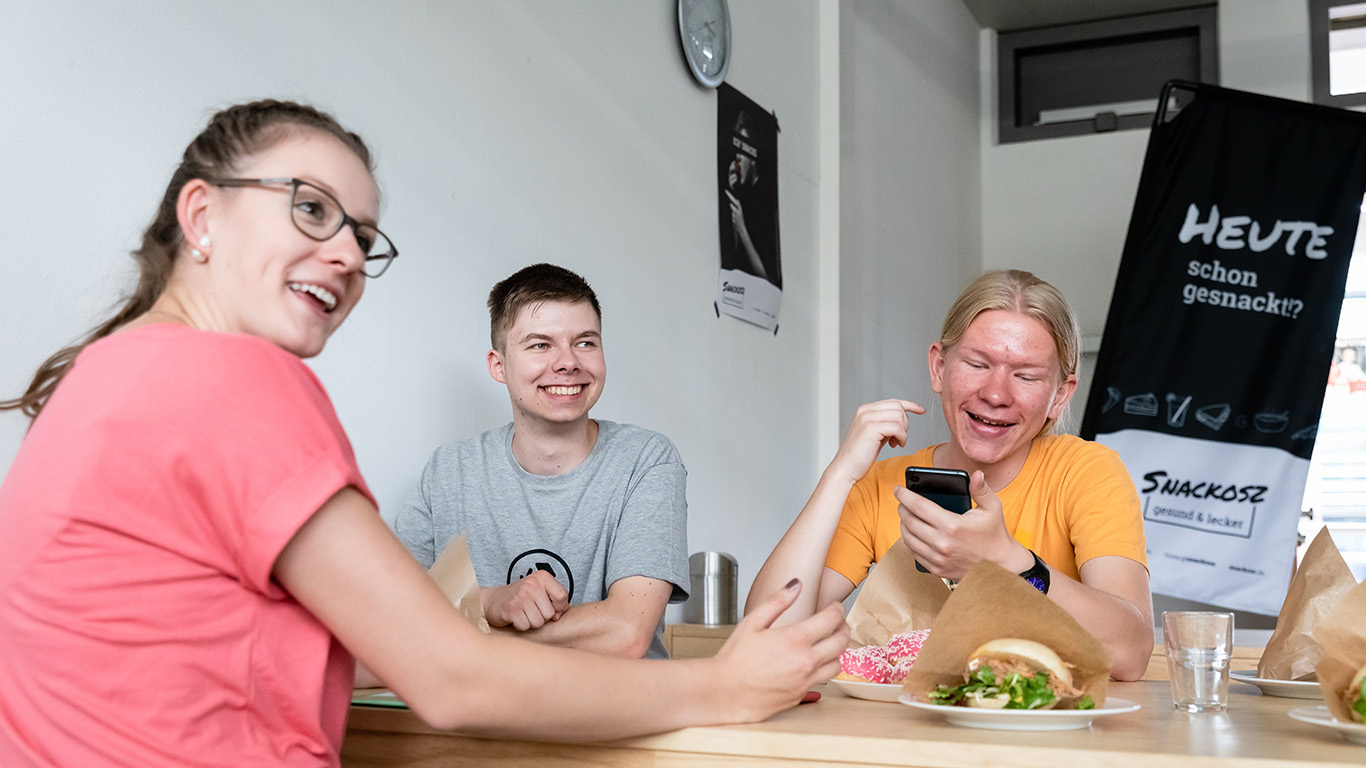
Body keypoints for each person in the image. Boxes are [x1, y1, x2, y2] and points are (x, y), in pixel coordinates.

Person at [0, 100, 847, 767]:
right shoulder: (236, 379)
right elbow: (448, 676)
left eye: (362, 238)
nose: (342, 254)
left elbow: (355, 648)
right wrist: (724, 686)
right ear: (202, 215)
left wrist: (462, 627)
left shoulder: (98, 374)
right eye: (310, 210)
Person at [747, 269, 1153, 681]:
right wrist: (840, 474)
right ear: (939, 367)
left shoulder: (1086, 473)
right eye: (978, 364)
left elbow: (1131, 653)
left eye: (1026, 376)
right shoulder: (882, 484)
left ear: (1060, 395)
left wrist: (1008, 561)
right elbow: (767, 638)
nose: (996, 394)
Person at [393, 263, 687, 659]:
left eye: (585, 342)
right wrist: (492, 601)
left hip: (615, 713)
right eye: (540, 345)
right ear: (499, 366)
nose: (568, 362)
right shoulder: (449, 471)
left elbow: (625, 633)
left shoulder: (646, 460)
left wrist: (471, 628)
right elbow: (392, 617)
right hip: (477, 713)